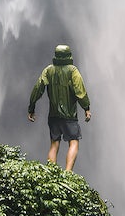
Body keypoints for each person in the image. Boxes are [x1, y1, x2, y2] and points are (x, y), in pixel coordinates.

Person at [27, 43, 92, 172]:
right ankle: (68, 173)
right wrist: (86, 108)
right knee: (73, 142)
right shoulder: (73, 71)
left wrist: (31, 107)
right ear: (68, 56)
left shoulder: (48, 70)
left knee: (54, 144)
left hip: (53, 115)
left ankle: (51, 173)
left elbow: (37, 88)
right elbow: (80, 92)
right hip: (69, 116)